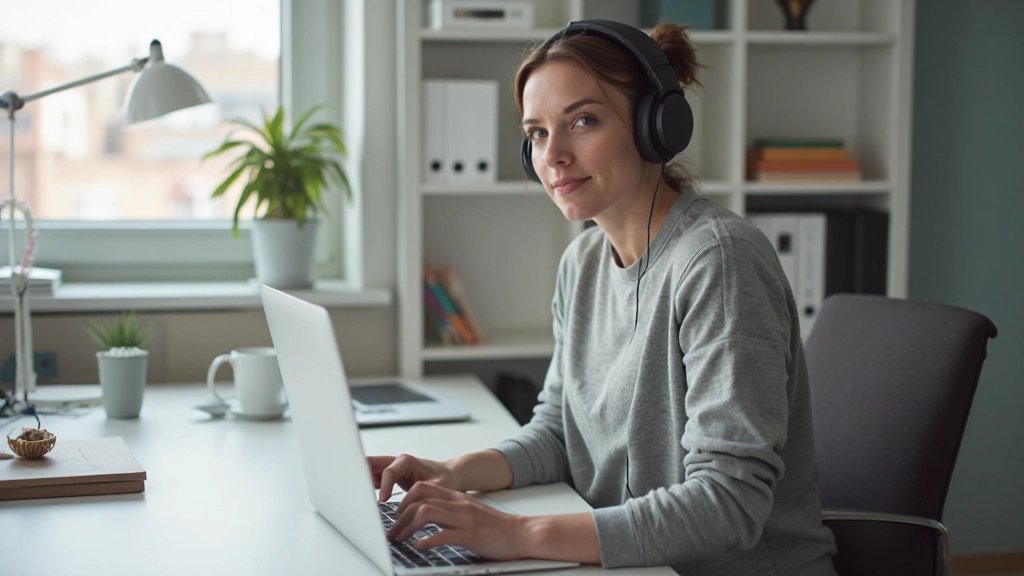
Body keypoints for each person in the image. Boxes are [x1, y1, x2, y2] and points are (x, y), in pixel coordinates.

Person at [371, 20, 839, 575]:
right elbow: (560, 432)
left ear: (653, 126)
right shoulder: (582, 263)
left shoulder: (719, 261)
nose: (554, 155)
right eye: (538, 133)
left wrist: (517, 533)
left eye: (583, 121)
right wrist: (452, 472)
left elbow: (730, 503)